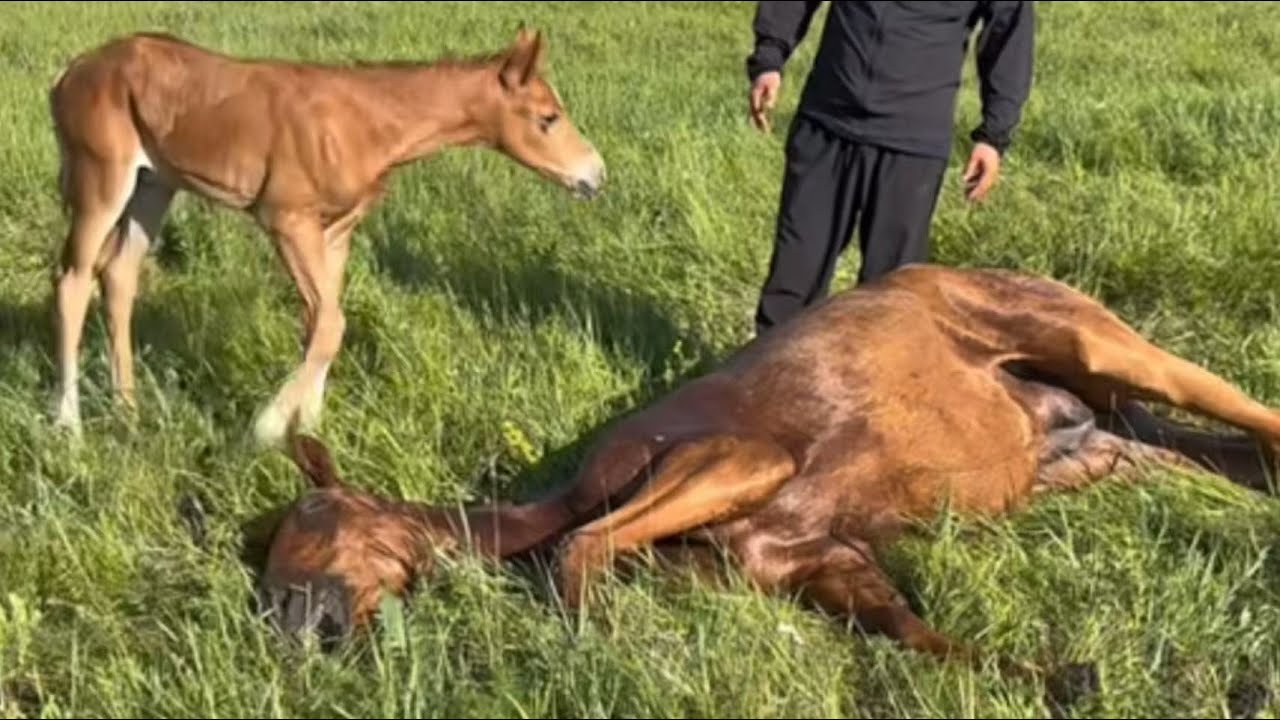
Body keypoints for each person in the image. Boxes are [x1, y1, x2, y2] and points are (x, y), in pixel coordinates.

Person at [746, 1, 1035, 334]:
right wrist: (769, 59)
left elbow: (1010, 32)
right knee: (792, 281)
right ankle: (772, 381)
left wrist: (993, 135)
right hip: (827, 122)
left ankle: (879, 385)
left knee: (891, 301)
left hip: (912, 143)